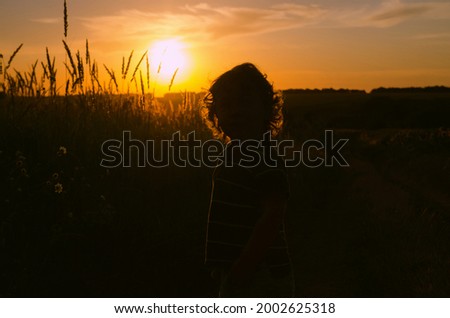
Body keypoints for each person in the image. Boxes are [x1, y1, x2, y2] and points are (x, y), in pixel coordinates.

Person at [203, 63, 295, 297]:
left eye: (244, 103)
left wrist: (242, 270)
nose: (235, 111)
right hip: (237, 269)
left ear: (267, 109)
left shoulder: (264, 156)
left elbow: (273, 215)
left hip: (260, 273)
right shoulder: (235, 152)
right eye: (226, 105)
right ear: (216, 115)